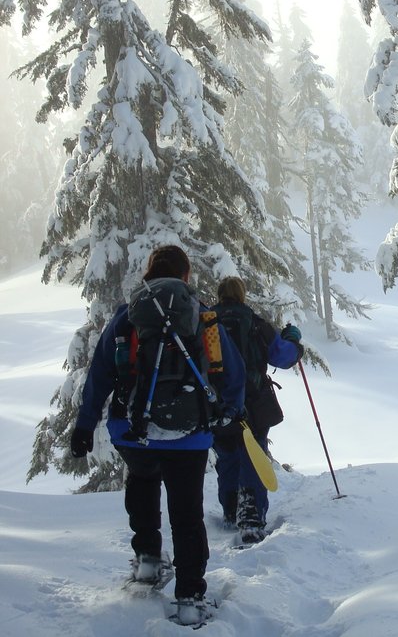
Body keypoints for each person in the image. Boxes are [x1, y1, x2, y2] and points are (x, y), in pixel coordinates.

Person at [69, 245, 245, 626]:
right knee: (187, 513)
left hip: (134, 433)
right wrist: (230, 412)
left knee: (143, 481)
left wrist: (85, 425)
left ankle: (148, 562)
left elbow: (99, 374)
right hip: (190, 434)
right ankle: (190, 598)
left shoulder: (127, 316)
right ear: (186, 276)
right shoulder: (202, 315)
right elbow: (231, 370)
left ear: (148, 274)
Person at [211, 276, 303, 545]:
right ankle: (250, 516)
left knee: (226, 453)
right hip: (253, 402)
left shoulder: (206, 323)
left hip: (217, 403)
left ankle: (230, 508)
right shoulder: (255, 323)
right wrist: (294, 341)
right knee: (253, 453)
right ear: (242, 295)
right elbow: (283, 356)